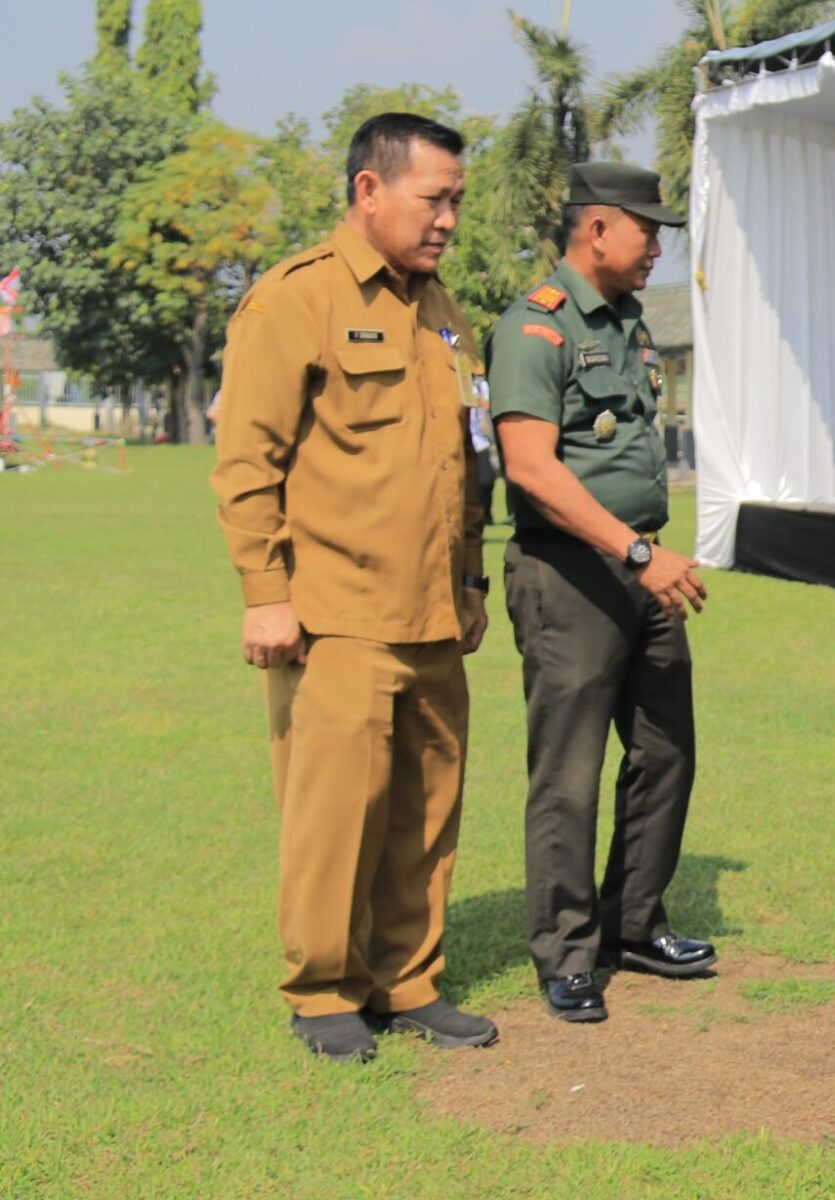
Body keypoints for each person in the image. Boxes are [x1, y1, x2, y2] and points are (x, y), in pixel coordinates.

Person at [211, 112, 499, 1063]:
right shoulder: (296, 298)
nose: (448, 219)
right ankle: (326, 991)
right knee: (335, 815)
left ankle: (407, 981)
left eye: (456, 201)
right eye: (434, 199)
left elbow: (468, 462)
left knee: (425, 811)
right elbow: (247, 460)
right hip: (334, 613)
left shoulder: (443, 310)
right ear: (370, 190)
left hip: (432, 611)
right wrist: (265, 592)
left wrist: (469, 581)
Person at [485, 162, 715, 1023]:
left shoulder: (627, 323)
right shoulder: (535, 328)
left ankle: (633, 924)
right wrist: (635, 551)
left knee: (666, 750)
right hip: (572, 573)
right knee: (569, 772)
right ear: (597, 229)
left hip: (642, 567)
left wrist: (643, 555)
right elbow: (530, 468)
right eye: (646, 230)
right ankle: (567, 952)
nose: (656, 246)